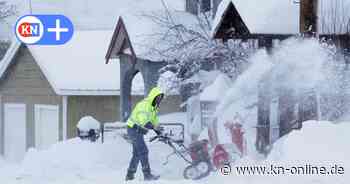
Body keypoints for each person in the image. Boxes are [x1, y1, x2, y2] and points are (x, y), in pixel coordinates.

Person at [125, 87, 164, 181]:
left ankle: (130, 175)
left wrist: (160, 131)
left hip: (138, 130)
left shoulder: (153, 108)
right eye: (158, 97)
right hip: (133, 128)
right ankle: (147, 175)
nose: (159, 100)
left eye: (160, 98)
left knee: (137, 153)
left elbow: (154, 121)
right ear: (153, 96)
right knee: (143, 151)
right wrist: (154, 127)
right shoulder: (144, 105)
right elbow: (144, 121)